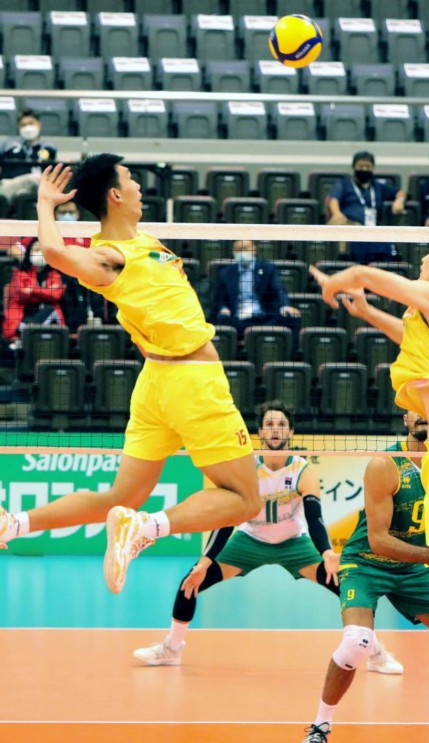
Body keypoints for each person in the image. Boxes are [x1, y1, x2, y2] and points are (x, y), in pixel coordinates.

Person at [0, 157, 261, 596]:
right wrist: (45, 204)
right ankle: (146, 527)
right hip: (193, 383)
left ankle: (14, 524)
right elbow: (58, 254)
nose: (140, 186)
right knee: (245, 500)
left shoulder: (144, 242)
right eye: (131, 180)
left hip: (158, 380)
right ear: (116, 195)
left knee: (118, 498)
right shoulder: (109, 257)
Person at [310, 230, 429, 741]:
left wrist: (343, 279)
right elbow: (408, 338)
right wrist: (367, 313)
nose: (424, 258)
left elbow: (369, 275)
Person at [133, 401, 402, 675]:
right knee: (190, 581)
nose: (275, 430)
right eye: (270, 424)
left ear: (291, 432)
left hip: (294, 544)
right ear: (260, 432)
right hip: (249, 541)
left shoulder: (303, 471)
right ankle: (171, 648)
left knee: (347, 587)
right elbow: (227, 519)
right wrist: (205, 561)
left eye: (281, 425)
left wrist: (327, 554)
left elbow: (314, 518)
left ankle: (376, 654)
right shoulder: (246, 469)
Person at [303, 411, 429, 743]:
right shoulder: (385, 465)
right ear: (405, 417)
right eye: (416, 407)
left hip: (413, 569)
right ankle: (320, 726)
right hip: (366, 563)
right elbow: (379, 541)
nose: (424, 413)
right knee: (356, 642)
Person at [209, 239, 301, 355]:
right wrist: (223, 308)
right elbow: (219, 300)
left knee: (292, 318)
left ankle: (292, 356)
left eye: (245, 249)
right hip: (238, 321)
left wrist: (285, 306)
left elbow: (279, 290)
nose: (242, 253)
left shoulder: (267, 268)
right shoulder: (226, 273)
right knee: (222, 319)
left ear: (254, 250)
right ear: (233, 252)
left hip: (265, 319)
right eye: (238, 250)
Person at [327, 151, 407, 264]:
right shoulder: (344, 184)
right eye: (361, 166)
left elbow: (400, 192)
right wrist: (337, 214)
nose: (364, 169)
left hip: (373, 228)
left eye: (368, 167)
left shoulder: (378, 186)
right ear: (354, 167)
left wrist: (399, 200)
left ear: (372, 168)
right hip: (351, 225)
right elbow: (334, 200)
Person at [1, 236, 65, 346]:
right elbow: (23, 294)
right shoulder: (20, 273)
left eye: (42, 250)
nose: (39, 253)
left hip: (46, 319)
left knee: (50, 309)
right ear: (29, 252)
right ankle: (27, 333)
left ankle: (27, 335)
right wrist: (46, 292)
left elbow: (56, 295)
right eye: (36, 249)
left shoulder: (54, 274)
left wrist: (33, 290)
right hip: (22, 319)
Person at [53, 200, 105, 332]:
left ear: (77, 214)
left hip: (83, 275)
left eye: (70, 212)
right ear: (55, 214)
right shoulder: (49, 232)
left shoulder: (86, 233)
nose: (67, 215)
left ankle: (95, 320)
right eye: (63, 212)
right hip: (58, 275)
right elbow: (17, 249)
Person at [0, 110, 56, 211]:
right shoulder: (7, 145)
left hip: (35, 188)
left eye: (31, 123)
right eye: (23, 125)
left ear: (39, 124)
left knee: (22, 194)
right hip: (9, 184)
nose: (28, 127)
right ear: (19, 127)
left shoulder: (49, 148)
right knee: (33, 179)